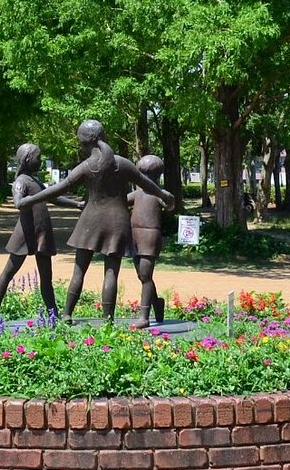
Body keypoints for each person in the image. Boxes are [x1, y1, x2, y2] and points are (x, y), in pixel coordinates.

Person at [19, 120, 173, 323]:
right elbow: (147, 184)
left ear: (84, 144)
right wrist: (165, 195)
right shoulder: (122, 163)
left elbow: (60, 188)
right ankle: (107, 320)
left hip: (90, 221)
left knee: (79, 270)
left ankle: (66, 314)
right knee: (111, 273)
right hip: (118, 223)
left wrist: (31, 199)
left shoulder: (86, 166)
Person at [0, 144, 81, 316]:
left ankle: (52, 313)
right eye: (37, 157)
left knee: (46, 278)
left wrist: (76, 204)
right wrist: (35, 197)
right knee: (9, 272)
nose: (40, 161)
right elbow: (19, 203)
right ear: (27, 159)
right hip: (25, 233)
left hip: (42, 232)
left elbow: (53, 197)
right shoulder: (21, 182)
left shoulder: (34, 181)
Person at [128, 154, 174, 327]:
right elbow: (120, 202)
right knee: (142, 275)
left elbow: (170, 204)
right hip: (135, 236)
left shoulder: (160, 194)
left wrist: (168, 199)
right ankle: (157, 303)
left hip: (149, 236)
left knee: (146, 275)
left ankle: (144, 316)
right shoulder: (137, 194)